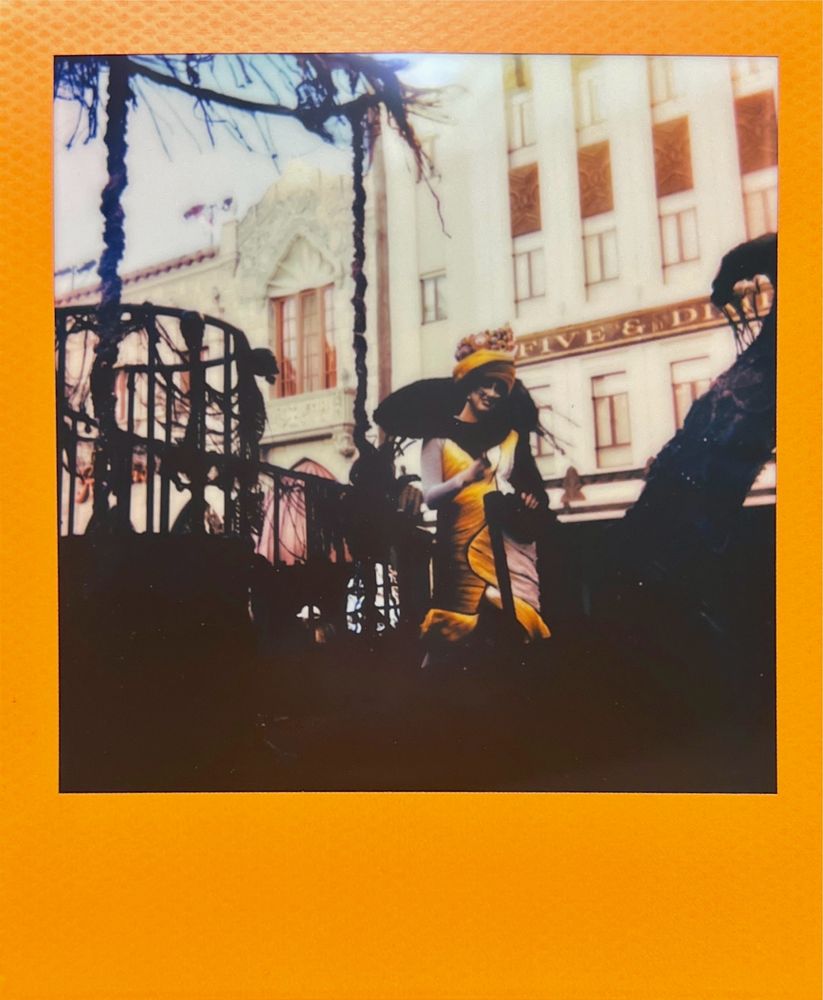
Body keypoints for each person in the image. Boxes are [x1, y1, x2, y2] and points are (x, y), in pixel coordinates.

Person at [416, 327, 551, 658]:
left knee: (509, 639)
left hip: (507, 554)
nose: (491, 393)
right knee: (455, 641)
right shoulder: (437, 437)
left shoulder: (511, 437)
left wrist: (529, 500)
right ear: (469, 384)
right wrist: (465, 478)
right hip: (458, 553)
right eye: (485, 384)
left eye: (499, 387)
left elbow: (534, 492)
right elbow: (430, 497)